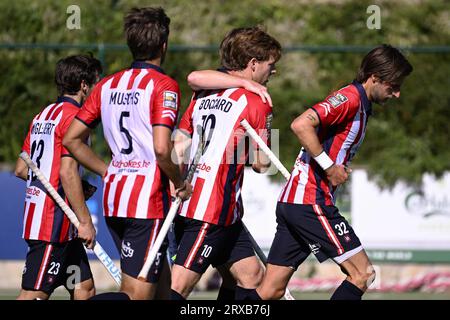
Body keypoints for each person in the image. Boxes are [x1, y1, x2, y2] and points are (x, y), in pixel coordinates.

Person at [239, 44, 413, 300]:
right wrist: (330, 167)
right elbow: (301, 124)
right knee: (362, 273)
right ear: (374, 78)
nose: (396, 94)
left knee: (271, 291)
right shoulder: (351, 98)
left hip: (295, 203)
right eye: (393, 86)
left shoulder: (362, 105)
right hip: (311, 201)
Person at [63, 7, 192, 300]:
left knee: (162, 291)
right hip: (146, 204)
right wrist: (180, 181)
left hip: (116, 198)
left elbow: (72, 139)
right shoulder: (164, 86)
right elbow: (161, 148)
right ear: (163, 45)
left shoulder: (106, 86)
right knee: (136, 295)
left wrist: (109, 170)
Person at [170, 26, 282, 300]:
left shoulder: (203, 93)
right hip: (210, 211)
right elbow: (261, 164)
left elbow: (180, 144)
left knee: (251, 275)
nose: (274, 71)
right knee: (177, 288)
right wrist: (268, 127)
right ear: (253, 64)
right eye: (271, 65)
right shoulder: (258, 101)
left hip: (207, 206)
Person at [14, 54, 102, 300]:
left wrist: (69, 187)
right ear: (84, 85)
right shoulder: (76, 118)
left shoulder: (43, 115)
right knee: (34, 295)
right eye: (95, 83)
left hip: (51, 219)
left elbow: (22, 169)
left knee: (84, 288)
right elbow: (66, 171)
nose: (97, 90)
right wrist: (86, 222)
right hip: (52, 223)